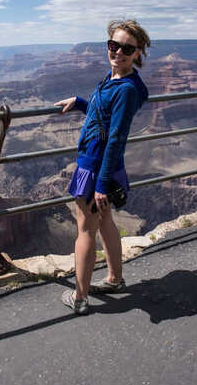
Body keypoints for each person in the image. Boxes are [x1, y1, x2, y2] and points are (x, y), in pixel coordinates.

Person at [54, 19, 150, 314]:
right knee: (105, 222)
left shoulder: (126, 89)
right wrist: (82, 102)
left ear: (138, 53)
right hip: (102, 166)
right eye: (113, 45)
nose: (118, 52)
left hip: (97, 168)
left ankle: (80, 298)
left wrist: (100, 184)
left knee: (85, 231)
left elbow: (116, 138)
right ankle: (116, 279)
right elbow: (104, 114)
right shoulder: (114, 79)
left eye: (126, 48)